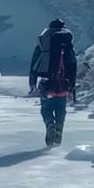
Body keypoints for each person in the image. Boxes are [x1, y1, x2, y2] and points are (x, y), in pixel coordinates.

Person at [28, 18, 77, 147]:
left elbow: (34, 63)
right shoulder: (67, 44)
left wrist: (32, 83)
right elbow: (73, 65)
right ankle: (59, 128)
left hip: (46, 83)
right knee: (61, 108)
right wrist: (72, 85)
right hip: (63, 84)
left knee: (46, 108)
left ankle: (50, 124)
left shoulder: (44, 43)